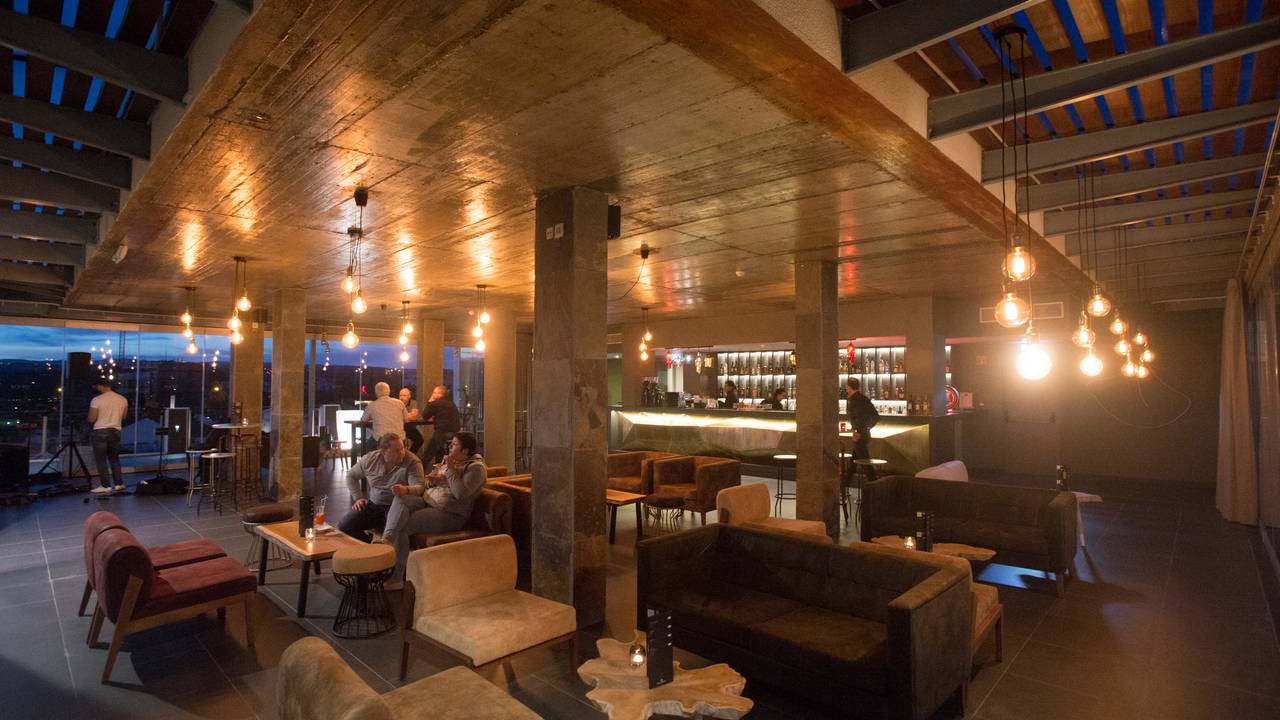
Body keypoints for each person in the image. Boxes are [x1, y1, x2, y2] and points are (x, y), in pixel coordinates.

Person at [377, 431, 487, 584]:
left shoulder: (476, 468)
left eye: (454, 444)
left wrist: (449, 470)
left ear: (465, 450)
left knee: (402, 525)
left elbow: (460, 494)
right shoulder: (452, 461)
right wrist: (433, 480)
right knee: (400, 497)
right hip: (429, 501)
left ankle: (396, 577)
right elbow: (426, 484)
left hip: (450, 514)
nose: (450, 446)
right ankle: (386, 539)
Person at [337, 432, 425, 543]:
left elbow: (420, 487)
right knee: (344, 525)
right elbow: (351, 476)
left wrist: (406, 489)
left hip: (397, 507)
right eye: (397, 450)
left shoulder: (412, 462)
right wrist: (358, 498)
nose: (402, 453)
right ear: (383, 452)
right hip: (375, 505)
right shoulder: (370, 459)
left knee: (395, 534)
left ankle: (386, 547)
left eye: (403, 448)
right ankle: (371, 547)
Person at [88, 379, 128, 493]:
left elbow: (91, 418)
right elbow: (124, 417)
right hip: (115, 430)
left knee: (101, 460)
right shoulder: (122, 399)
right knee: (114, 458)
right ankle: (119, 484)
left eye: (97, 387)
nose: (97, 389)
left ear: (101, 386)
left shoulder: (97, 400)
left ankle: (105, 485)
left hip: (100, 431)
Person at [845, 377, 881, 482]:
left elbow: (858, 418)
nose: (846, 388)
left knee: (865, 463)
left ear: (849, 387)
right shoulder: (864, 398)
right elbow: (876, 416)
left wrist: (858, 431)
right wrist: (868, 428)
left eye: (846, 386)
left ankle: (874, 484)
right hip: (864, 434)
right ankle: (845, 483)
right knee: (854, 461)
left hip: (859, 435)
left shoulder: (854, 400)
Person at [419, 385, 461, 464]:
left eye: (434, 392)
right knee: (440, 449)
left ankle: (420, 470)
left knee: (428, 454)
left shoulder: (435, 403)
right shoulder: (452, 404)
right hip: (454, 434)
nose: (432, 394)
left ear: (439, 394)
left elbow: (425, 415)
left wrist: (430, 401)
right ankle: (439, 467)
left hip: (442, 432)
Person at [361, 382, 406, 453]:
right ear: (389, 391)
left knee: (368, 446)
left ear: (376, 393)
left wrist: (373, 417)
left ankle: (369, 459)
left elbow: (363, 420)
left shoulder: (372, 405)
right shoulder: (400, 403)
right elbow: (406, 419)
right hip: (400, 440)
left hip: (380, 440)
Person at [399, 387, 423, 454]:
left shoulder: (413, 403)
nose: (402, 397)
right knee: (400, 443)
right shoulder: (396, 403)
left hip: (409, 427)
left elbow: (414, 416)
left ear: (409, 396)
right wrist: (408, 415)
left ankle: (410, 455)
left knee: (420, 440)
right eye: (400, 395)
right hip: (398, 427)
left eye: (404, 395)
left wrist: (402, 416)